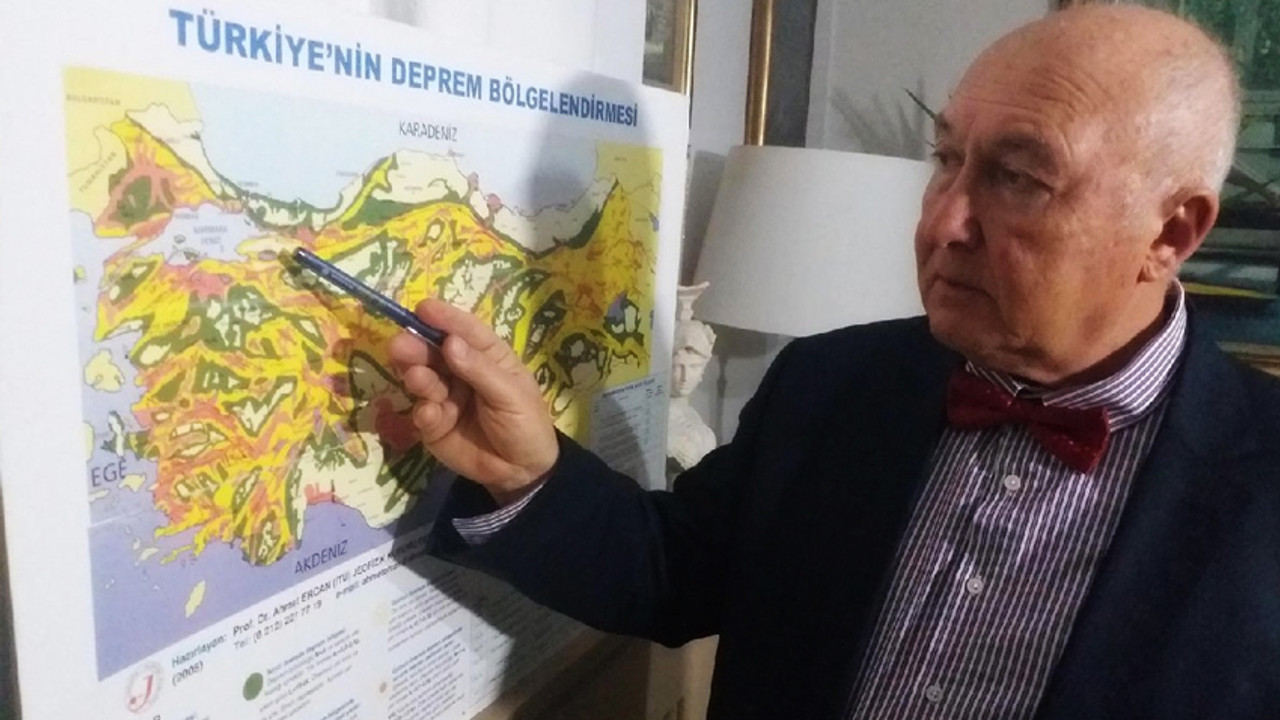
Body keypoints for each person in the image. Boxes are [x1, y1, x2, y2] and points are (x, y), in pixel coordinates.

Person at [388, 5, 1280, 719]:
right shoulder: (833, 384)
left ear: (1171, 233)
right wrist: (526, 469)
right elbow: (673, 575)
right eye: (947, 159)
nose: (943, 221)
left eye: (1019, 178)